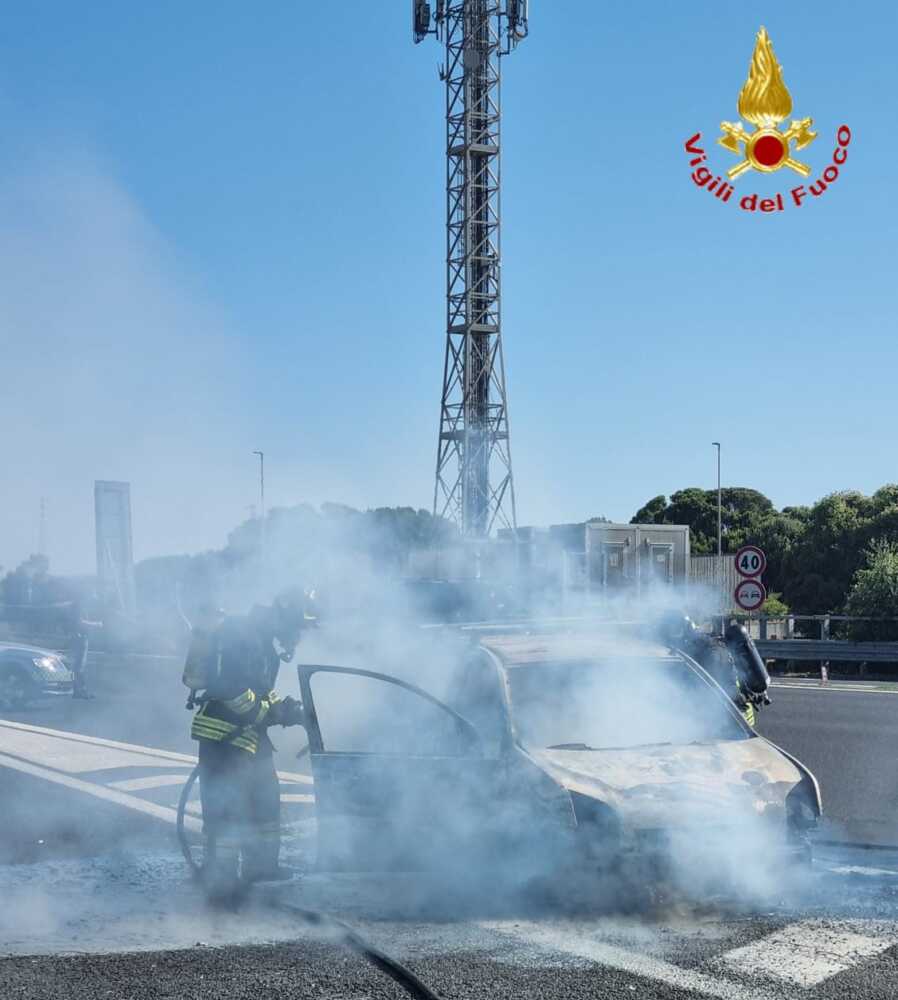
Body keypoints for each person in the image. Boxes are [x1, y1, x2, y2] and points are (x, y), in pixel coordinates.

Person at [185, 591, 308, 899]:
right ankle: (220, 879)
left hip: (249, 736)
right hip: (224, 739)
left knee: (266, 803)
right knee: (226, 811)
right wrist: (272, 714)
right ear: (283, 617)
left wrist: (288, 710)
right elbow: (233, 692)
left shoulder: (262, 641)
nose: (298, 634)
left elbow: (261, 690)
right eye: (297, 626)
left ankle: (261, 868)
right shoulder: (242, 635)